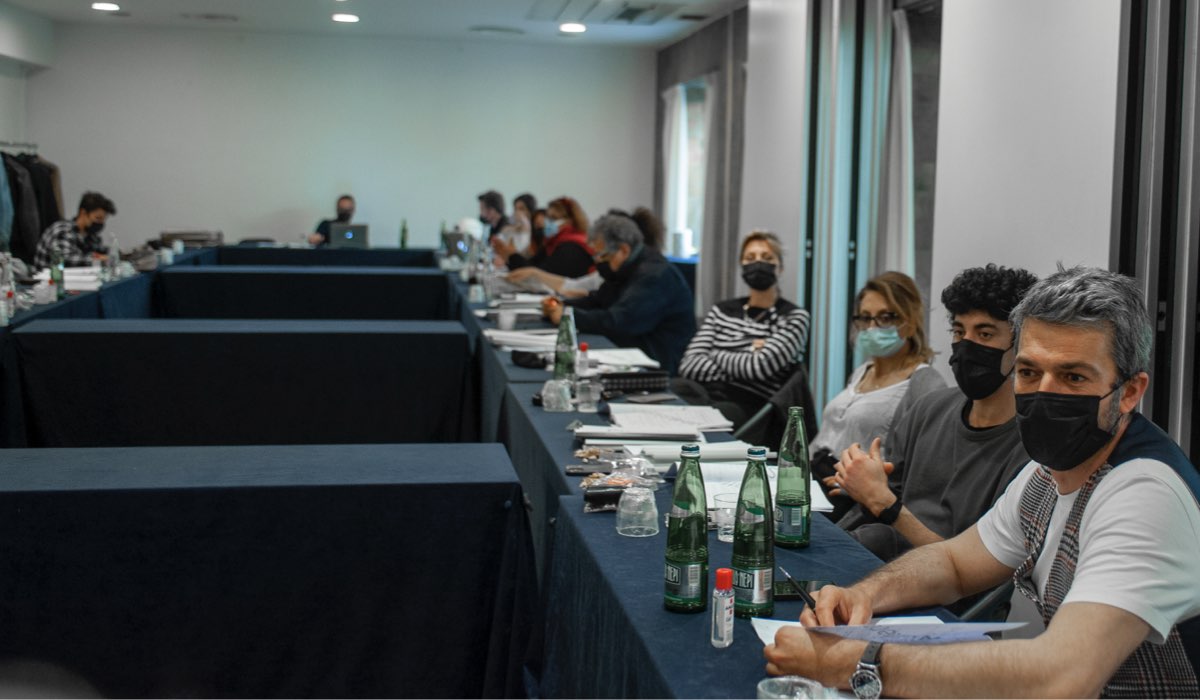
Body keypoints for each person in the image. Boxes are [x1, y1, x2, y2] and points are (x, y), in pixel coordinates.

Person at [764, 266, 1200, 698]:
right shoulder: (1047, 473)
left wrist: (856, 662)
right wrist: (864, 596)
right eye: (1029, 373)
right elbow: (954, 564)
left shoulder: (1146, 495)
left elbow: (1061, 677)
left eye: (1073, 377)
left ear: (1128, 392)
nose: (1044, 393)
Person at [831, 264, 1038, 565]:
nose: (967, 345)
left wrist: (885, 504)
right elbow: (885, 496)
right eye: (958, 331)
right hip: (877, 570)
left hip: (944, 602)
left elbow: (972, 570)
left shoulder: (1028, 448)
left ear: (1020, 344)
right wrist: (861, 480)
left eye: (984, 333)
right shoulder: (929, 410)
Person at [809, 271, 945, 519]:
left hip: (853, 502)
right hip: (815, 478)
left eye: (885, 318)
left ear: (910, 321)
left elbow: (922, 470)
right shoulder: (863, 372)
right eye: (865, 318)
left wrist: (864, 489)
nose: (872, 328)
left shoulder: (923, 381)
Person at [673, 230, 810, 427]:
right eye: (750, 258)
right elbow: (689, 365)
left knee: (689, 420)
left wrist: (714, 354)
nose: (758, 263)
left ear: (780, 267)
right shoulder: (722, 310)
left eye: (767, 257)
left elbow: (758, 367)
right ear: (742, 266)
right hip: (701, 392)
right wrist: (748, 351)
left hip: (747, 405)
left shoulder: (794, 317)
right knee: (666, 398)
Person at [541, 211, 694, 375]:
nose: (599, 263)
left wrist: (569, 316)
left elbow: (620, 322)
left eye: (603, 256)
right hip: (631, 353)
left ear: (624, 250)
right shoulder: (627, 268)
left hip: (659, 364)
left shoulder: (654, 276)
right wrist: (560, 304)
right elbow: (599, 300)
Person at [506, 206, 661, 296]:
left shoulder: (572, 247)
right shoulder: (553, 242)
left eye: (553, 218)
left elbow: (613, 315)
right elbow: (576, 286)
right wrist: (534, 272)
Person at [495, 196, 593, 279]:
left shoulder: (572, 247)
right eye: (548, 218)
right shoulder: (551, 243)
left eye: (554, 219)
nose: (548, 223)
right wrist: (508, 256)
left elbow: (542, 276)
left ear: (570, 221)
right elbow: (532, 265)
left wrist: (512, 255)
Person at [33, 191, 115, 270]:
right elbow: (65, 261)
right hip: (50, 281)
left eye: (103, 220)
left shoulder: (91, 236)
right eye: (98, 218)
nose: (100, 223)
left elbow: (100, 251)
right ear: (83, 213)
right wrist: (99, 259)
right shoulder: (62, 231)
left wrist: (114, 254)